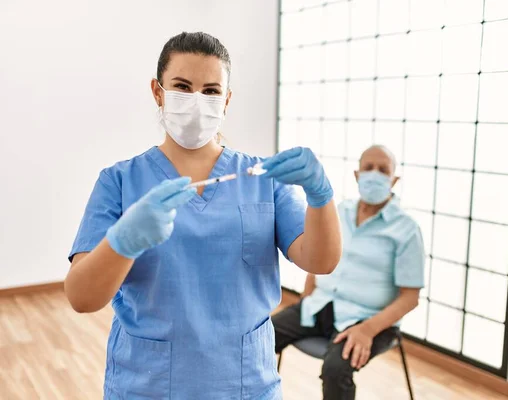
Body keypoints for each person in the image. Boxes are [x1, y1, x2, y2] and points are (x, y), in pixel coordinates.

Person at [64, 32, 342, 400]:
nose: (197, 101)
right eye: (182, 86)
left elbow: (321, 261)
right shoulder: (118, 181)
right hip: (149, 387)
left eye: (211, 91)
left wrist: (321, 197)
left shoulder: (263, 179)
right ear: (158, 91)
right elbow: (81, 297)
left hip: (245, 385)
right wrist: (123, 242)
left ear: (226, 100)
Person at [273, 145, 425, 400]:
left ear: (394, 179)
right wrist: (307, 297)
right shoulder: (339, 211)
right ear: (357, 175)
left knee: (335, 369)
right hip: (321, 304)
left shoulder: (407, 229)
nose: (374, 174)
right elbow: (319, 257)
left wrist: (367, 330)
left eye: (383, 170)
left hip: (368, 320)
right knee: (261, 339)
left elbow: (410, 298)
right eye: (368, 168)